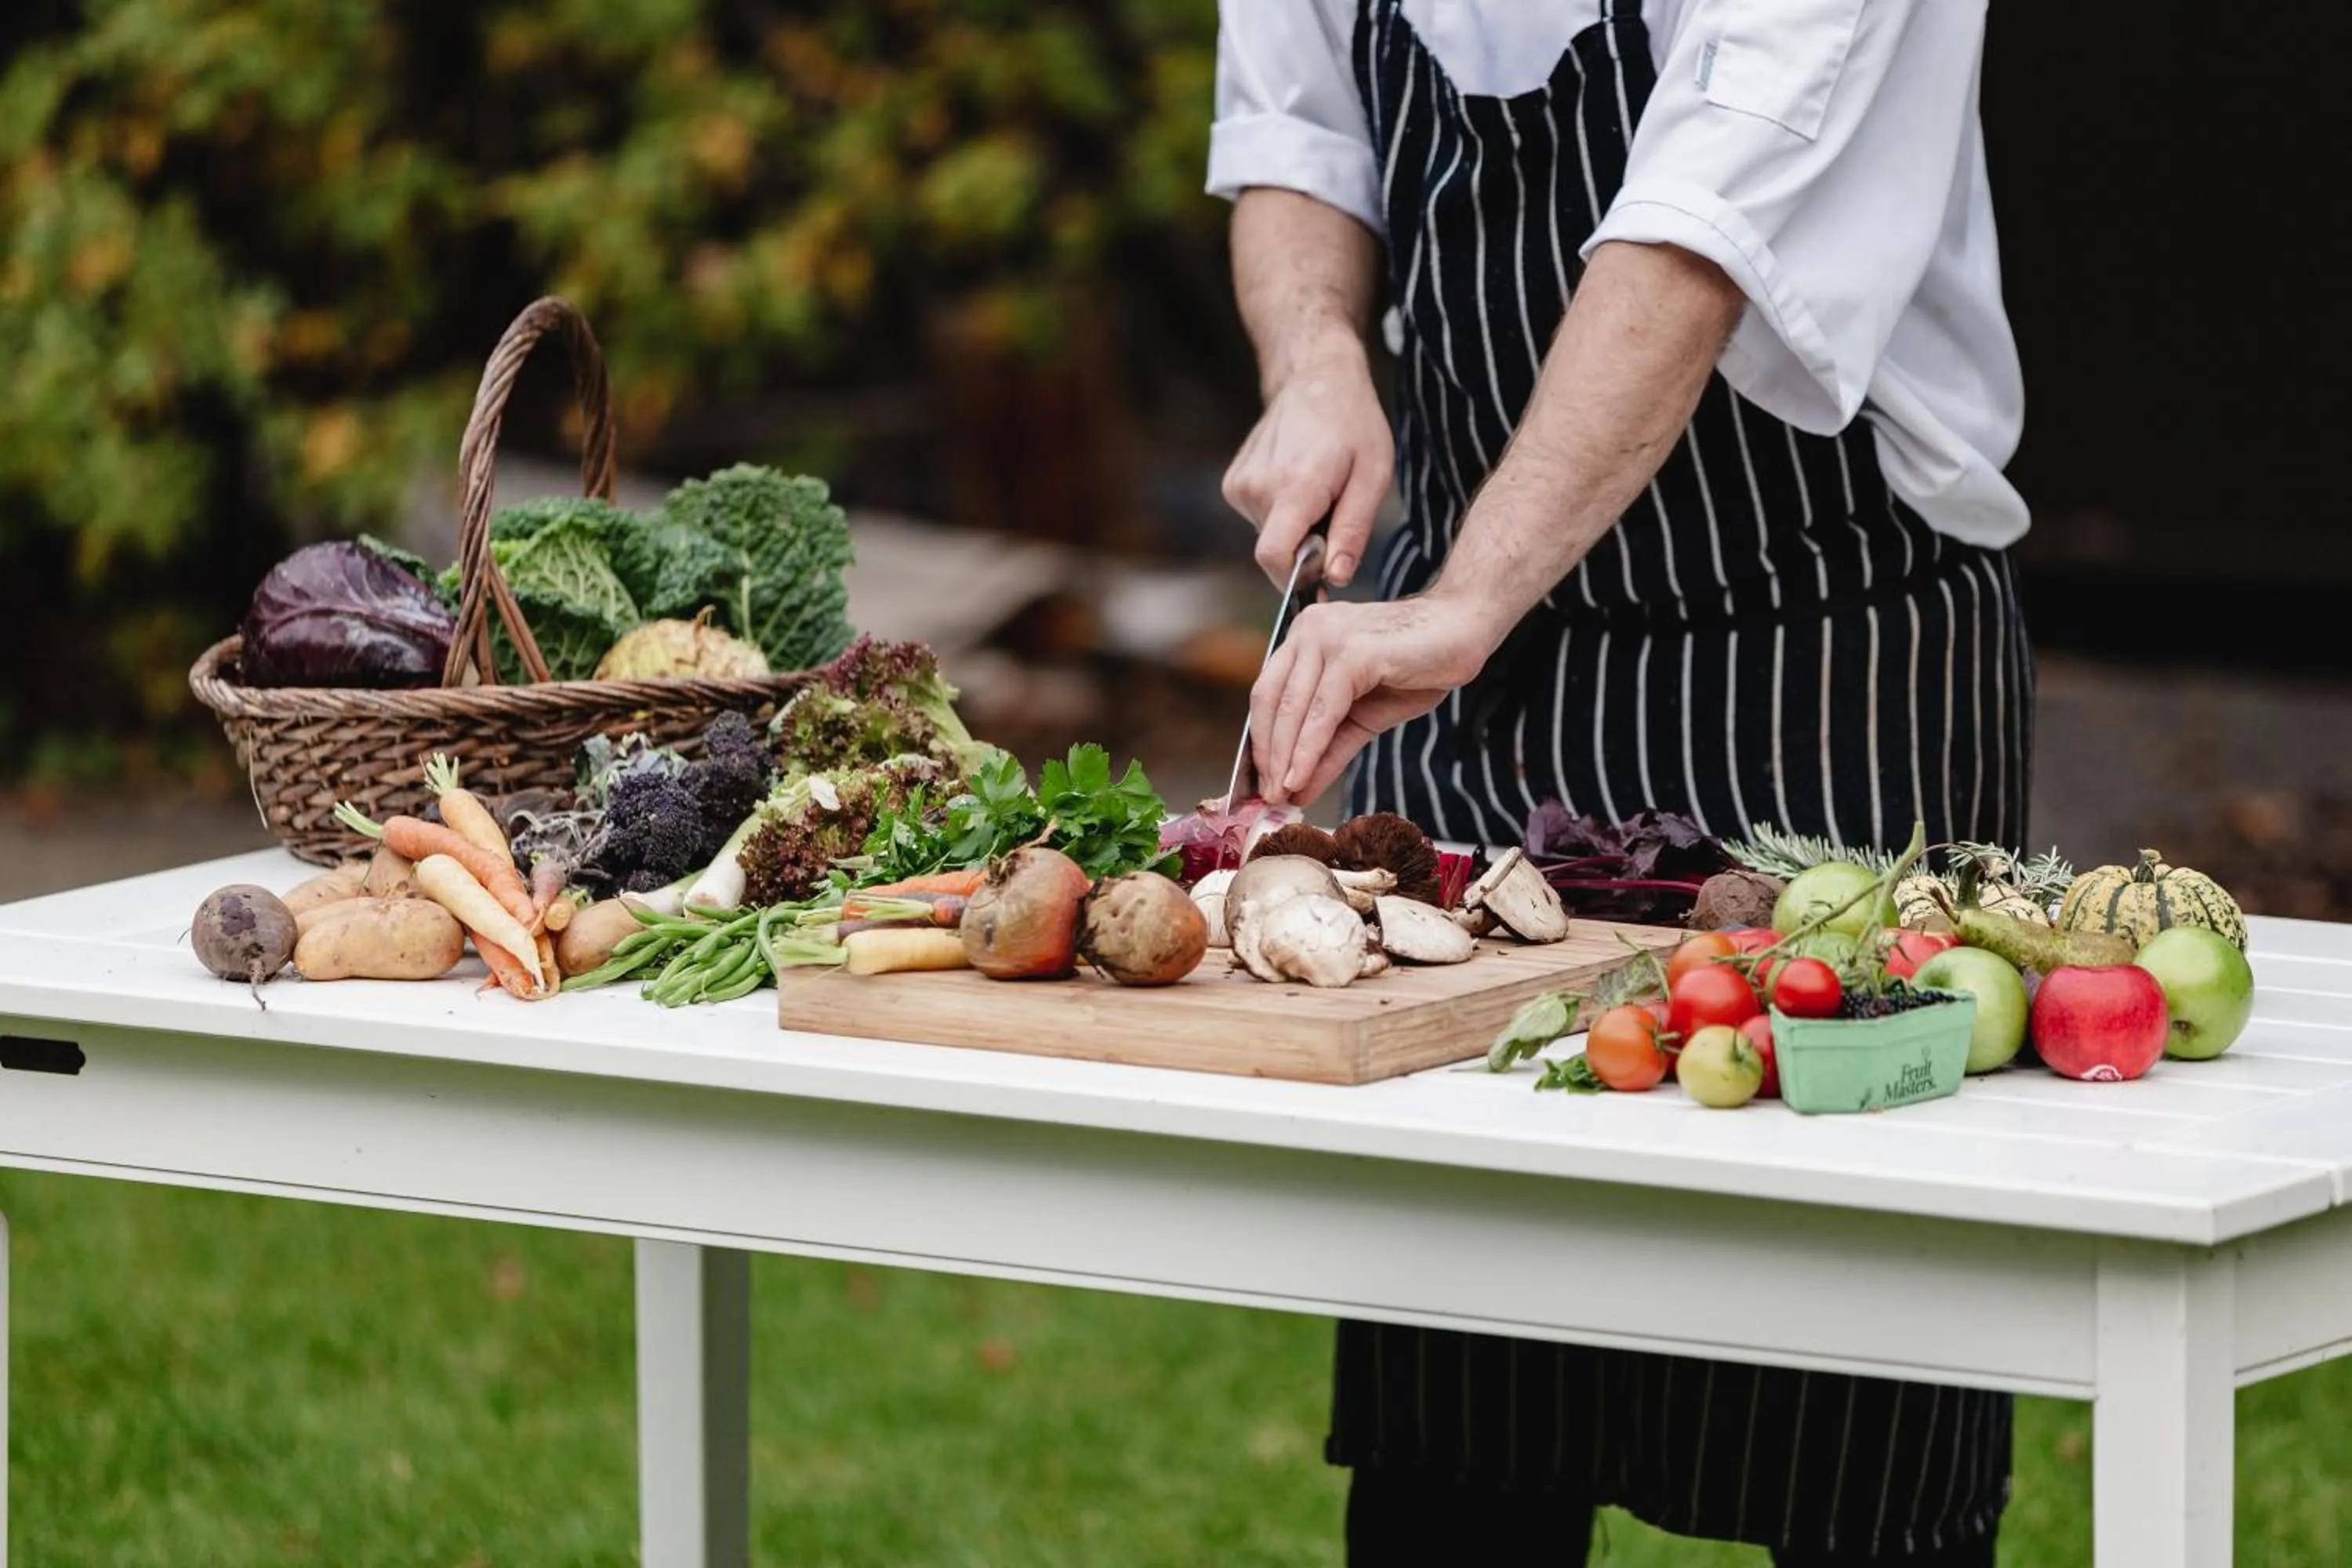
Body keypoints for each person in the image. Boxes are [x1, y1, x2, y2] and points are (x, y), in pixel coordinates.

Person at [1207, 1, 2032, 1564]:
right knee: (1462, 1414)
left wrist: (1464, 596)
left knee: (1854, 1397)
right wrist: (1315, 360)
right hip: (1476, 682)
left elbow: (1698, 232)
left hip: (1819, 663)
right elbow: (1295, 132)